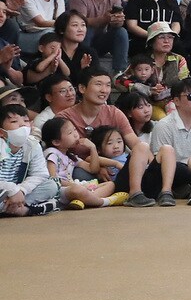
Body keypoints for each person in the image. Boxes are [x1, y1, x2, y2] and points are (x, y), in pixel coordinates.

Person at [59, 69, 158, 206]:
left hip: (116, 170)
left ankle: (135, 194)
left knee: (146, 152)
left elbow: (135, 144)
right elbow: (61, 153)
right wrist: (97, 167)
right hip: (83, 171)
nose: (104, 90)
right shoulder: (65, 118)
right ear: (82, 88)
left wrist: (154, 168)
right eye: (98, 84)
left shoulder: (114, 113)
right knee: (80, 174)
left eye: (107, 85)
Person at [41, 116, 127, 209]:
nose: (75, 135)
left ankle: (82, 201)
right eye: (70, 133)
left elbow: (93, 169)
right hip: (59, 190)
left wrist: (92, 148)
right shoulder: (51, 153)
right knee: (77, 190)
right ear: (56, 142)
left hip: (74, 187)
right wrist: (75, 185)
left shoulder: (70, 156)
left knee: (110, 184)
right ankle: (105, 201)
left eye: (75, 130)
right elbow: (53, 179)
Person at [149, 79, 191, 204]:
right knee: (180, 168)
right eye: (190, 96)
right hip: (173, 170)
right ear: (176, 101)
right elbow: (160, 160)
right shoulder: (164, 125)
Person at [1, 104, 59, 216]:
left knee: (51, 186)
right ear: (1, 131)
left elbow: (40, 174)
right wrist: (12, 190)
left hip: (18, 192)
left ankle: (12, 208)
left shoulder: (32, 145)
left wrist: (22, 190)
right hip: (3, 191)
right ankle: (25, 210)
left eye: (26, 121)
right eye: (14, 122)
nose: (22, 125)